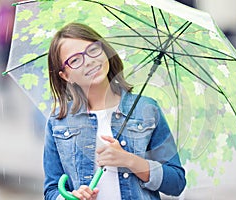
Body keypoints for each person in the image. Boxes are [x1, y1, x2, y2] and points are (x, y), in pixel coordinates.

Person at [44, 22, 186, 200]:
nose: (89, 61)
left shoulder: (147, 110)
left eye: (93, 50)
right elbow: (51, 190)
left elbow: (177, 183)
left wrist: (129, 160)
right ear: (66, 75)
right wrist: (70, 197)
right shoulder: (59, 121)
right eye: (75, 60)